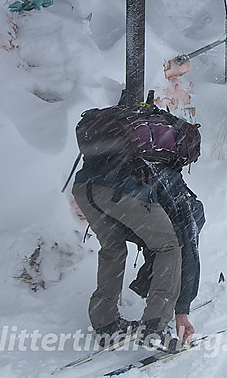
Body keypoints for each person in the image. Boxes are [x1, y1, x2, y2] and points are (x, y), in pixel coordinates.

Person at [71, 100, 204, 350]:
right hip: (121, 191)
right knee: (168, 247)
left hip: (86, 187)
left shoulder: (137, 148)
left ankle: (105, 321)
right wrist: (182, 310)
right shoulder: (163, 171)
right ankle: (154, 327)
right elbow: (187, 241)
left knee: (113, 248)